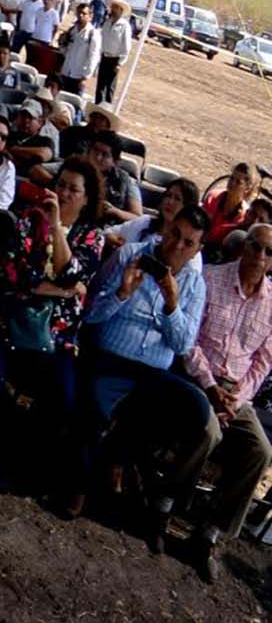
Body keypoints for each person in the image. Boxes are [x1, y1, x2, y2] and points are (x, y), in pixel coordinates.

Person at [63, 207, 212, 529]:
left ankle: (122, 458)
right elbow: (88, 314)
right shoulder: (129, 255)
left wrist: (172, 304)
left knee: (196, 409)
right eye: (175, 234)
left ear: (198, 250)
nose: (177, 246)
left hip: (153, 371)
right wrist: (122, 293)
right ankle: (79, 485)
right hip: (111, 358)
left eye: (188, 243)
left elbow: (183, 345)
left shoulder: (194, 285)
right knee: (95, 404)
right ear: (166, 228)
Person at [0, 159, 111, 457]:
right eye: (61, 185)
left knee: (64, 397)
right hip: (9, 322)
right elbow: (12, 273)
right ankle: (3, 428)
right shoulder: (29, 221)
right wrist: (62, 290)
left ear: (87, 198)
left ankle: (25, 447)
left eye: (73, 189)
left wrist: (56, 228)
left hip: (56, 338)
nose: (64, 194)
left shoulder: (92, 237)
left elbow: (72, 273)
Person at [174, 224, 272, 581]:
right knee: (209, 431)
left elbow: (263, 362)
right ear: (244, 246)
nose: (260, 256)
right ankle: (166, 503)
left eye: (269, 252)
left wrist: (236, 398)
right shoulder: (211, 279)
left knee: (260, 450)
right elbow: (189, 340)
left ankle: (209, 532)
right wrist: (212, 387)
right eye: (256, 247)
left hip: (236, 393)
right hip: (197, 378)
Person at [202, 162, 262, 247]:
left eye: (238, 182)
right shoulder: (212, 198)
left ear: (247, 188)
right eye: (231, 178)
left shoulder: (244, 216)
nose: (232, 183)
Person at [56, 2, 101, 96]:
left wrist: (85, 77)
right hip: (66, 72)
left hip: (79, 76)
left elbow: (94, 57)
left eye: (84, 13)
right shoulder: (72, 30)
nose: (81, 15)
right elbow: (65, 50)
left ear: (90, 16)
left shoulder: (93, 33)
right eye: (79, 12)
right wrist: (61, 43)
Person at [97, 0, 134, 104]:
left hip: (114, 59)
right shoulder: (107, 23)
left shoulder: (124, 26)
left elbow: (126, 46)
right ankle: (97, 104)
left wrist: (120, 63)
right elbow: (102, 38)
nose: (112, 10)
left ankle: (107, 106)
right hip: (104, 56)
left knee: (110, 86)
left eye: (115, 8)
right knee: (100, 85)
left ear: (120, 10)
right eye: (112, 7)